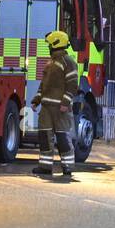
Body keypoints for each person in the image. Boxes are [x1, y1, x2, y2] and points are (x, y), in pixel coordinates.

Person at [32, 31, 76, 179]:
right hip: (46, 108)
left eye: (50, 45)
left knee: (63, 138)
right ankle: (45, 167)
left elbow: (72, 85)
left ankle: (68, 167)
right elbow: (43, 85)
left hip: (60, 108)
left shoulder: (68, 62)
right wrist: (36, 100)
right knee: (44, 137)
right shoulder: (50, 63)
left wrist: (65, 103)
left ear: (56, 44)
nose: (49, 47)